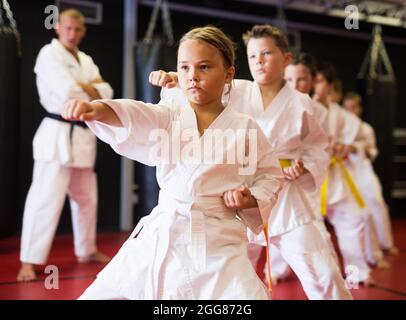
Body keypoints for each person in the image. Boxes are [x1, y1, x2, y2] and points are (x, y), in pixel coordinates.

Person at [64, 25, 282, 300]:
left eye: (204, 67)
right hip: (165, 232)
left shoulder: (246, 128)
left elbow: (270, 175)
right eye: (185, 68)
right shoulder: (170, 116)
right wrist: (98, 109)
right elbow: (138, 115)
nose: (193, 77)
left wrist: (250, 198)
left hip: (219, 241)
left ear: (228, 74)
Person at [151, 25, 352, 299]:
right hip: (237, 197)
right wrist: (173, 77)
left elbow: (319, 146)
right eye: (253, 55)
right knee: (222, 280)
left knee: (324, 274)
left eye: (267, 53)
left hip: (287, 200)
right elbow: (198, 84)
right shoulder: (235, 90)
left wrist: (304, 165)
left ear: (287, 59)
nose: (259, 61)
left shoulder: (305, 105)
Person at [17, 9, 112, 282]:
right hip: (56, 133)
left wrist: (90, 88)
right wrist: (91, 88)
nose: (72, 34)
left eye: (77, 29)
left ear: (83, 31)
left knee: (86, 199)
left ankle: (86, 249)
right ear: (58, 27)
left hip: (83, 133)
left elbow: (108, 92)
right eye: (67, 28)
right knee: (44, 199)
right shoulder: (49, 54)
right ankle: (29, 260)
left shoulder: (85, 59)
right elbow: (68, 91)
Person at [313, 62, 375, 285]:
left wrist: (346, 146)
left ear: (329, 85)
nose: (313, 85)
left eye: (319, 80)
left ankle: (357, 273)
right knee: (297, 231)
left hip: (335, 176)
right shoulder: (301, 108)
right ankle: (280, 271)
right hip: (307, 181)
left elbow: (357, 138)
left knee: (353, 220)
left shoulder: (342, 115)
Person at [343, 92, 398, 257]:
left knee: (378, 204)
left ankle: (386, 243)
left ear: (359, 108)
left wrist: (361, 149)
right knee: (357, 212)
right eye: (347, 108)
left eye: (353, 107)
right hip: (346, 172)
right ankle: (363, 251)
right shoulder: (340, 128)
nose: (350, 111)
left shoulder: (366, 128)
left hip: (364, 170)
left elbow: (373, 151)